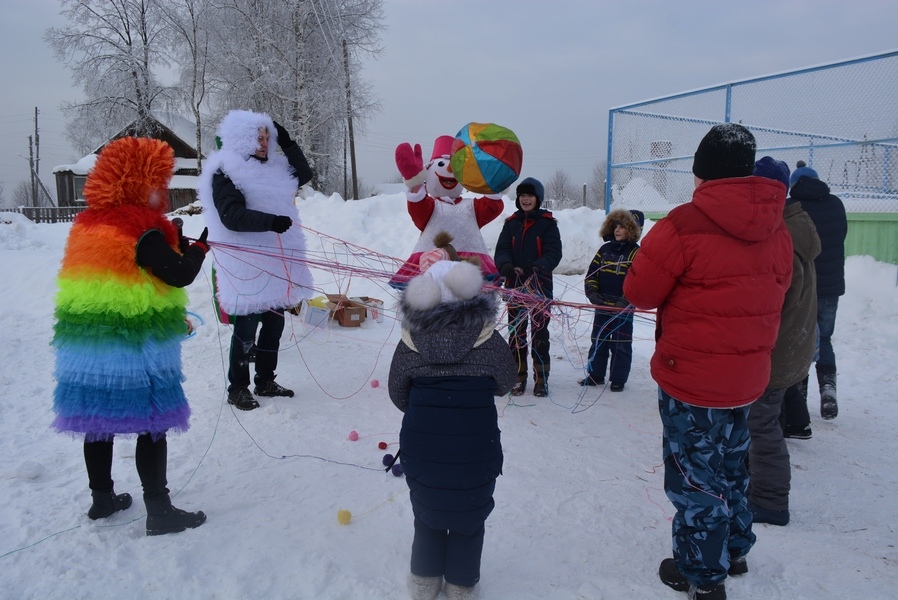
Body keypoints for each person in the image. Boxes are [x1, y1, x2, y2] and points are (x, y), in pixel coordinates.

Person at [624, 124, 793, 600]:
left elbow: (639, 291)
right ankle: (734, 549)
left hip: (692, 380)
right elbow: (778, 288)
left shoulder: (682, 223)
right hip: (748, 376)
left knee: (696, 477)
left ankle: (703, 576)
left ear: (701, 173)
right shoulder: (777, 226)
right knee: (734, 465)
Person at [52, 137, 210, 536]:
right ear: (138, 182)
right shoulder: (141, 227)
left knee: (98, 422)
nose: (163, 189)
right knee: (152, 422)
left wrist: (171, 237)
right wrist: (198, 250)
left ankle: (102, 500)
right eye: (157, 181)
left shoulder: (90, 222)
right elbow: (176, 273)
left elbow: (133, 265)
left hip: (91, 345)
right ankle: (159, 511)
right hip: (133, 344)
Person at [388, 259, 517, 600]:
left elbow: (397, 394)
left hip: (422, 449)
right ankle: (460, 584)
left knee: (428, 513)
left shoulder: (409, 342)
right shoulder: (490, 340)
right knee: (469, 516)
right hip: (477, 449)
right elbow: (506, 382)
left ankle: (424, 581)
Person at [199, 110, 314, 411]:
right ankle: (237, 387)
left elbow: (303, 175)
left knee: (274, 327)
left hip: (276, 261)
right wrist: (271, 221)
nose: (263, 144)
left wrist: (288, 145)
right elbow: (231, 215)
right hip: (246, 264)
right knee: (246, 330)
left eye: (267, 138)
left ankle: (265, 380)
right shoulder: (226, 169)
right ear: (241, 138)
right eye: (257, 138)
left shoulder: (275, 168)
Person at [746, 157, 821, 528]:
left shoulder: (783, 238)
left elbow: (775, 301)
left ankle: (771, 502)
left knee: (761, 425)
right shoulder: (793, 226)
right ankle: (755, 486)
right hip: (790, 347)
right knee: (760, 420)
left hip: (777, 351)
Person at [781, 160, 847, 433]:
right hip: (831, 287)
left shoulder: (794, 209)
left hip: (806, 285)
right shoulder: (836, 205)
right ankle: (828, 387)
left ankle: (800, 401)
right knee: (825, 338)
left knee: (801, 338)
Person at [390, 136, 505, 287]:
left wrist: (493, 180)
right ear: (429, 173)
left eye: (454, 166)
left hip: (471, 265)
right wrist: (416, 182)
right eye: (442, 164)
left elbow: (492, 206)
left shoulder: (472, 207)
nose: (449, 170)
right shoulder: (431, 206)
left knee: (468, 303)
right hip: (431, 265)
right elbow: (417, 209)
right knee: (433, 301)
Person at [493, 177, 563, 397]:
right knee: (517, 335)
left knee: (540, 335)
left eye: (529, 196)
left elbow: (554, 252)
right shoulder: (511, 223)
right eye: (522, 195)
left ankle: (541, 379)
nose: (525, 199)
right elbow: (502, 249)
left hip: (539, 289)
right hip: (514, 288)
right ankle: (518, 378)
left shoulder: (548, 224)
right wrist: (505, 265)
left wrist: (538, 267)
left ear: (537, 198)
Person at [580, 208, 644, 392]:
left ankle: (618, 379)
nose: (617, 229)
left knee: (621, 344)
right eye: (615, 225)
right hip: (602, 306)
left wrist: (625, 302)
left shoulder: (636, 254)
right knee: (599, 340)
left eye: (623, 226)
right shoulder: (604, 249)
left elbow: (638, 281)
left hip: (622, 308)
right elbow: (592, 273)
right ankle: (595, 375)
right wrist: (592, 292)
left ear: (633, 230)